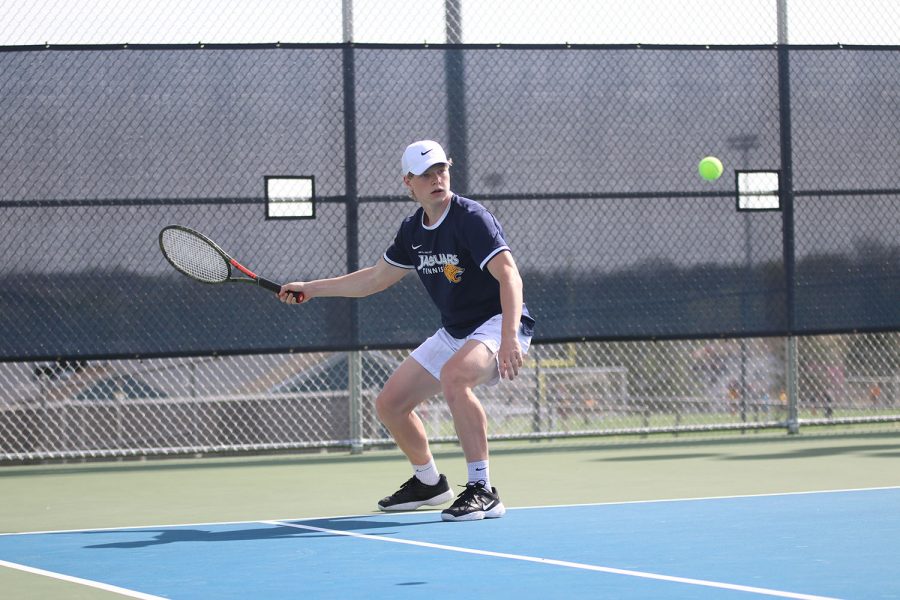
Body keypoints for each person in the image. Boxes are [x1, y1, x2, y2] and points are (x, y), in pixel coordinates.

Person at [278, 140, 535, 522]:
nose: (436, 179)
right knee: (390, 404)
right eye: (426, 175)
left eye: (441, 171)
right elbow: (374, 280)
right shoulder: (412, 231)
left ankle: (483, 489)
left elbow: (509, 275)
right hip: (455, 331)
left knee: (455, 377)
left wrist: (511, 336)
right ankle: (429, 482)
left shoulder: (471, 218)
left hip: (498, 322)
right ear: (408, 183)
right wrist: (311, 289)